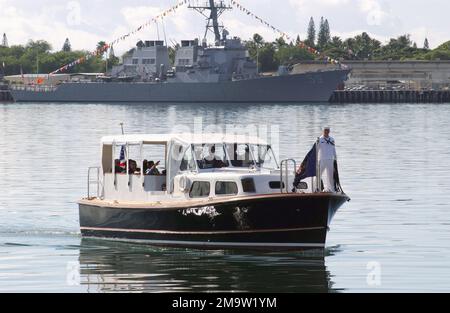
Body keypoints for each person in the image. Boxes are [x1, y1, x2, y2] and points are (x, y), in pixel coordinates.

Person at [318, 127, 337, 192]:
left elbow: (333, 149)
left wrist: (335, 158)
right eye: (325, 130)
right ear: (323, 131)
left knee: (330, 175)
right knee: (318, 174)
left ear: (329, 131)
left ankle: (331, 189)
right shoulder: (320, 139)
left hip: (330, 159)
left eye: (327, 131)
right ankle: (317, 187)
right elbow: (316, 150)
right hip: (322, 159)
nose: (326, 132)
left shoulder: (332, 139)